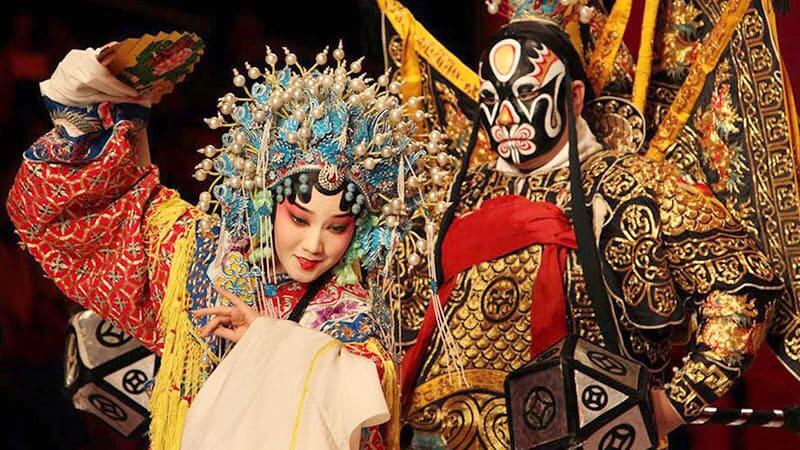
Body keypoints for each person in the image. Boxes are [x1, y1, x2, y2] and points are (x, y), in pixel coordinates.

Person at [7, 40, 423, 449]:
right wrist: (88, 108)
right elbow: (61, 218)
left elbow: (359, 407)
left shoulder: (351, 318)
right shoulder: (202, 255)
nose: (314, 245)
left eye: (337, 227)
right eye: (298, 218)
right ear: (266, 202)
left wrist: (267, 339)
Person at [398, 17, 784, 449]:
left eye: (525, 93)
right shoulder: (458, 196)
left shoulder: (631, 186)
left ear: (574, 96)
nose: (505, 116)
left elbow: (745, 288)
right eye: (491, 97)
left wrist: (676, 403)